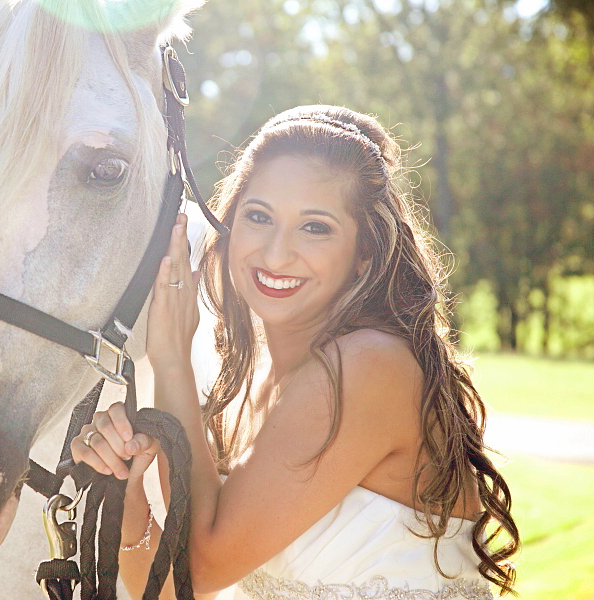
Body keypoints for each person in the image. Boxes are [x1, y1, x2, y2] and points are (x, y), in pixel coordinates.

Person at [70, 105, 519, 600]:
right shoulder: (251, 391)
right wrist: (125, 492)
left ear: (364, 251)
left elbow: (194, 570)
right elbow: (170, 589)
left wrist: (171, 356)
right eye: (259, 216)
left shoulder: (366, 366)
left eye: (315, 227)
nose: (277, 253)